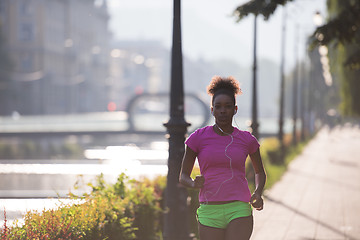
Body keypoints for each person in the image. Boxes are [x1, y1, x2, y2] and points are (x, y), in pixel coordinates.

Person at [179, 76, 266, 240]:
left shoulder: (247, 139)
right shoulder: (198, 138)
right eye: (218, 107)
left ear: (235, 109)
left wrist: (258, 192)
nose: (223, 110)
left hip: (239, 207)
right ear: (212, 110)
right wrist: (193, 183)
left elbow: (259, 171)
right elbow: (183, 176)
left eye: (227, 106)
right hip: (209, 209)